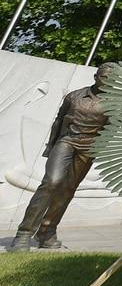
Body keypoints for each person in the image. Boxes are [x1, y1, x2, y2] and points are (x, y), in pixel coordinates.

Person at [9, 62, 115, 250]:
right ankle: (24, 233)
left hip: (89, 148)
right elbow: (58, 120)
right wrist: (50, 146)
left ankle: (47, 232)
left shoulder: (115, 103)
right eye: (104, 77)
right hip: (66, 141)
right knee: (52, 182)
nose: (108, 82)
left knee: (68, 189)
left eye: (112, 79)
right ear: (96, 76)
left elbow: (111, 130)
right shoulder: (74, 96)